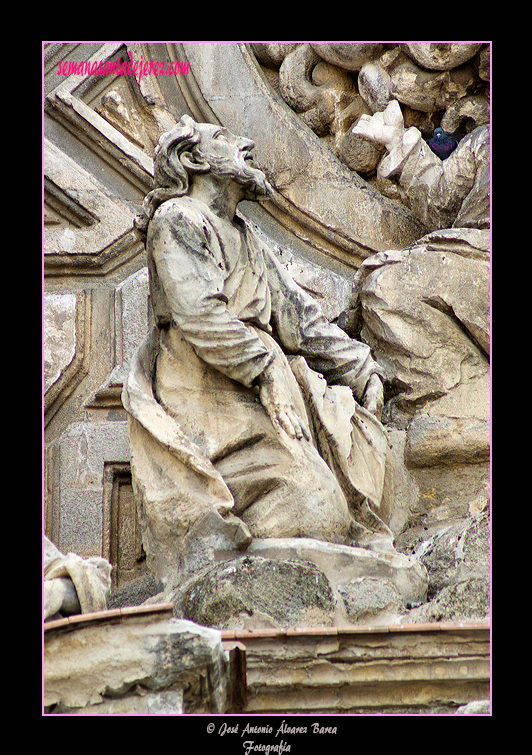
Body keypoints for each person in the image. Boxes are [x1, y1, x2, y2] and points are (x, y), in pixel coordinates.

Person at [123, 115, 393, 588]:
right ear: (193, 159)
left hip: (265, 399)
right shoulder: (178, 220)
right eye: (225, 139)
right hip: (211, 399)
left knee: (351, 483)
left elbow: (301, 321)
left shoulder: (245, 235)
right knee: (317, 510)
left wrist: (362, 368)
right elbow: (201, 318)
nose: (247, 141)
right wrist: (267, 372)